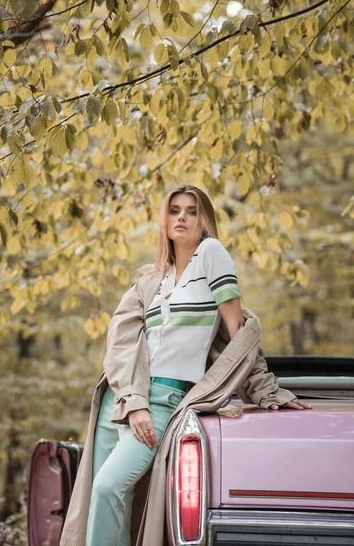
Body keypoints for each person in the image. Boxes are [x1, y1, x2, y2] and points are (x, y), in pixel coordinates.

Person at [83, 184, 311, 546]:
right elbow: (121, 342)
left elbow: (239, 332)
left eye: (191, 211)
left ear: (204, 221)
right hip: (122, 399)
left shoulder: (212, 253)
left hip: (163, 400)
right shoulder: (154, 279)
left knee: (107, 487)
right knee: (112, 503)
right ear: (165, 219)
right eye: (174, 211)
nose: (182, 218)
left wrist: (267, 391)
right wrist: (133, 400)